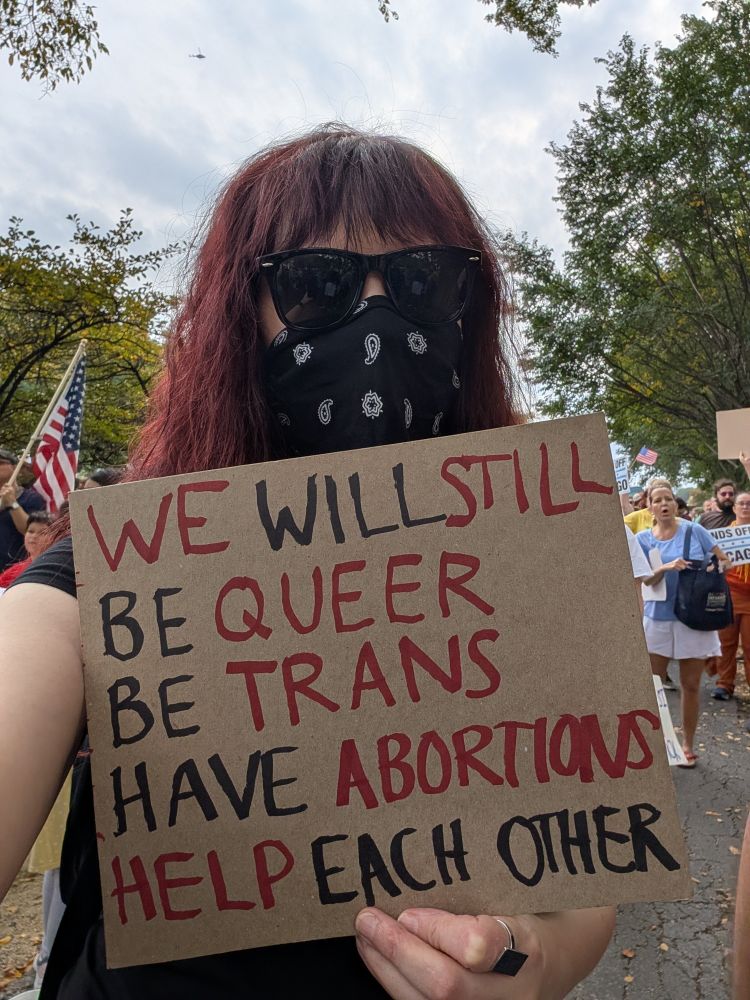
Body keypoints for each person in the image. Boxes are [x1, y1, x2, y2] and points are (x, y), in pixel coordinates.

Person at [0, 127, 615, 999]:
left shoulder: (529, 563)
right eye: (316, 284)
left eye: (421, 281)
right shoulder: (116, 577)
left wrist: (528, 962)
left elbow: (586, 881)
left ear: (466, 310)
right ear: (238, 313)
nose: (376, 317)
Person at [637, 484, 731, 767]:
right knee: (652, 687)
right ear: (650, 507)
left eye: (668, 499)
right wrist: (666, 567)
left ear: (676, 505)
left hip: (694, 619)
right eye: (657, 500)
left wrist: (713, 568)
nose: (664, 504)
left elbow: (724, 560)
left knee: (691, 685)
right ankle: (658, 744)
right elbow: (645, 580)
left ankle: (687, 745)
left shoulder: (694, 531)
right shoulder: (644, 539)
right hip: (658, 618)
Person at [711, 491, 750, 708]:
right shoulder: (724, 535)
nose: (746, 507)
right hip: (730, 593)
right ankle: (724, 683)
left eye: (749, 504)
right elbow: (713, 563)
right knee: (726, 641)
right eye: (742, 503)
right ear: (734, 508)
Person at [0, 448, 45, 571]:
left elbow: (30, 531)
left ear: (15, 467)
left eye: (1, 462)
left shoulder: (31, 498)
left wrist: (12, 504)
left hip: (14, 571)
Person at [0, 510, 54, 589]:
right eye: (31, 531)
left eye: (42, 532)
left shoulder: (57, 568)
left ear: (55, 537)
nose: (34, 536)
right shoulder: (13, 572)